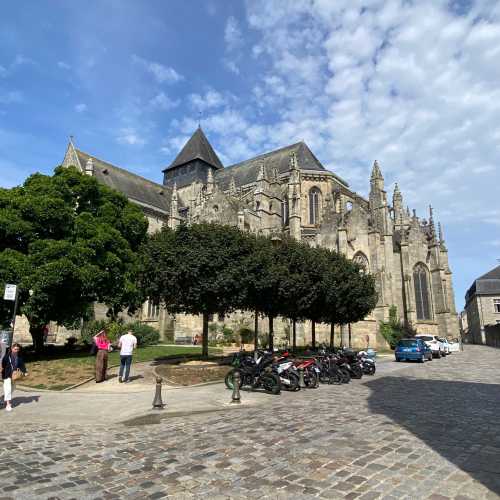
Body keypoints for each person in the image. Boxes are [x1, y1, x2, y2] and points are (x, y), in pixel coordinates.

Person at [1, 343, 27, 412]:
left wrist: (25, 372)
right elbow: (3, 366)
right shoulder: (7, 357)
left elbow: (22, 365)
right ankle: (8, 404)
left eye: (18, 349)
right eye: (15, 349)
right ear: (12, 349)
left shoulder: (19, 357)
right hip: (7, 375)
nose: (16, 350)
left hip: (15, 375)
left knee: (13, 388)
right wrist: (3, 374)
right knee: (8, 388)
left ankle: (4, 398)